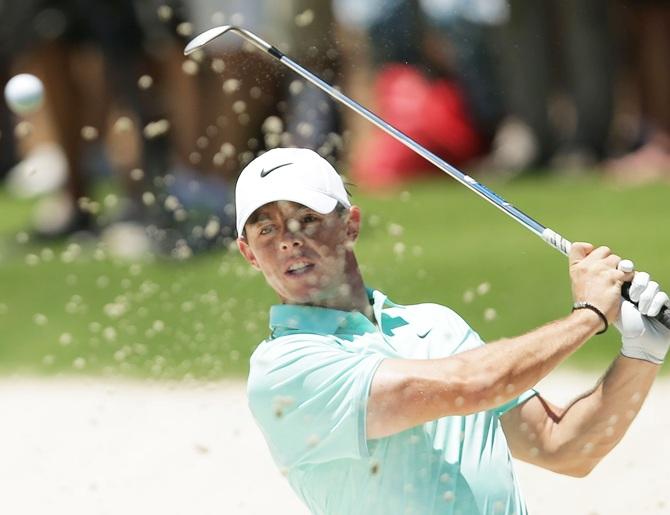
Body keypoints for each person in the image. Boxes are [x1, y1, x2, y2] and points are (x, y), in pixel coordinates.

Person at [236, 147, 670, 514]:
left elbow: (564, 448)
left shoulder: (434, 326)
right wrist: (589, 314)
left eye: (306, 218)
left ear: (350, 224)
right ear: (249, 253)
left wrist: (641, 352)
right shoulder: (283, 372)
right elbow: (474, 384)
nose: (288, 240)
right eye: (266, 229)